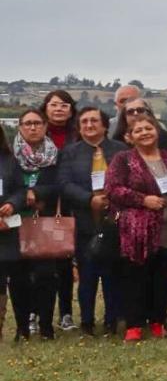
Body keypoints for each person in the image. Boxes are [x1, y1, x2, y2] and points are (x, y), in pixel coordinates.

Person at [106, 113, 167, 342]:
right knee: (136, 277)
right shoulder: (123, 159)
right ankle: (134, 324)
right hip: (136, 230)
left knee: (163, 276)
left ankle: (158, 321)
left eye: (149, 128)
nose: (145, 133)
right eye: (139, 130)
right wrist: (143, 200)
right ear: (130, 136)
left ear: (157, 132)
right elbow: (113, 189)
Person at [57, 106, 127, 334]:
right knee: (87, 276)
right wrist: (89, 199)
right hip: (84, 221)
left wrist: (113, 197)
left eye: (94, 121)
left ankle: (112, 320)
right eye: (84, 121)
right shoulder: (70, 152)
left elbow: (128, 179)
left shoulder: (120, 150)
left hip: (114, 221)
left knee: (112, 274)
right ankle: (87, 321)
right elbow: (65, 184)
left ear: (105, 125)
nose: (89, 125)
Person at [13, 108, 62, 339]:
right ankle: (23, 325)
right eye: (27, 123)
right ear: (20, 127)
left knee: (45, 275)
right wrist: (24, 196)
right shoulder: (9, 156)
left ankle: (46, 326)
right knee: (20, 277)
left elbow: (61, 184)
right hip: (14, 222)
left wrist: (37, 192)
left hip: (44, 222)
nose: (33, 128)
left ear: (45, 126)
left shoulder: (56, 156)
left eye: (37, 123)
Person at [41, 90, 78, 328]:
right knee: (39, 259)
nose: (58, 109)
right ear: (45, 108)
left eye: (64, 105)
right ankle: (36, 312)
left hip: (70, 202)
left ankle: (66, 313)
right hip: (39, 203)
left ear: (71, 110)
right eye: (54, 105)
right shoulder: (33, 134)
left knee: (64, 257)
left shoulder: (78, 136)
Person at [0, 124, 33, 340]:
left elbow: (21, 190)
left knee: (20, 282)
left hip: (10, 231)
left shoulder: (10, 161)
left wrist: (12, 204)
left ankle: (23, 329)